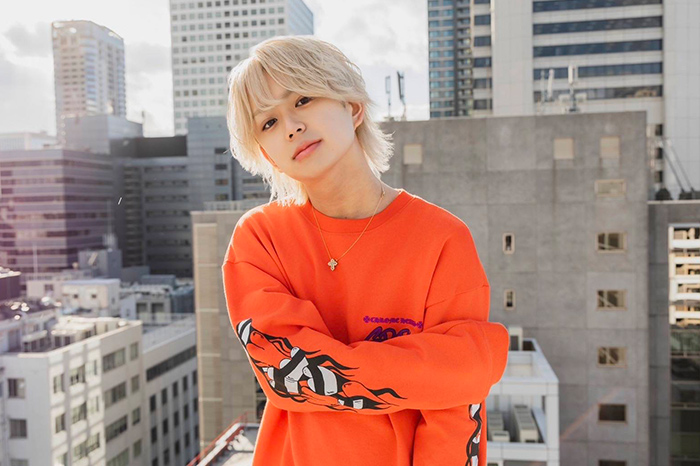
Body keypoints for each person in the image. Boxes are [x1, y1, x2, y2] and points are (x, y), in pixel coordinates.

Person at [222, 35, 509, 466]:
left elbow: (455, 418)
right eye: (268, 122)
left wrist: (459, 374)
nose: (291, 126)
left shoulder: (442, 238)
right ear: (269, 156)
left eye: (302, 99)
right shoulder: (260, 238)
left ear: (353, 106)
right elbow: (288, 374)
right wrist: (452, 366)